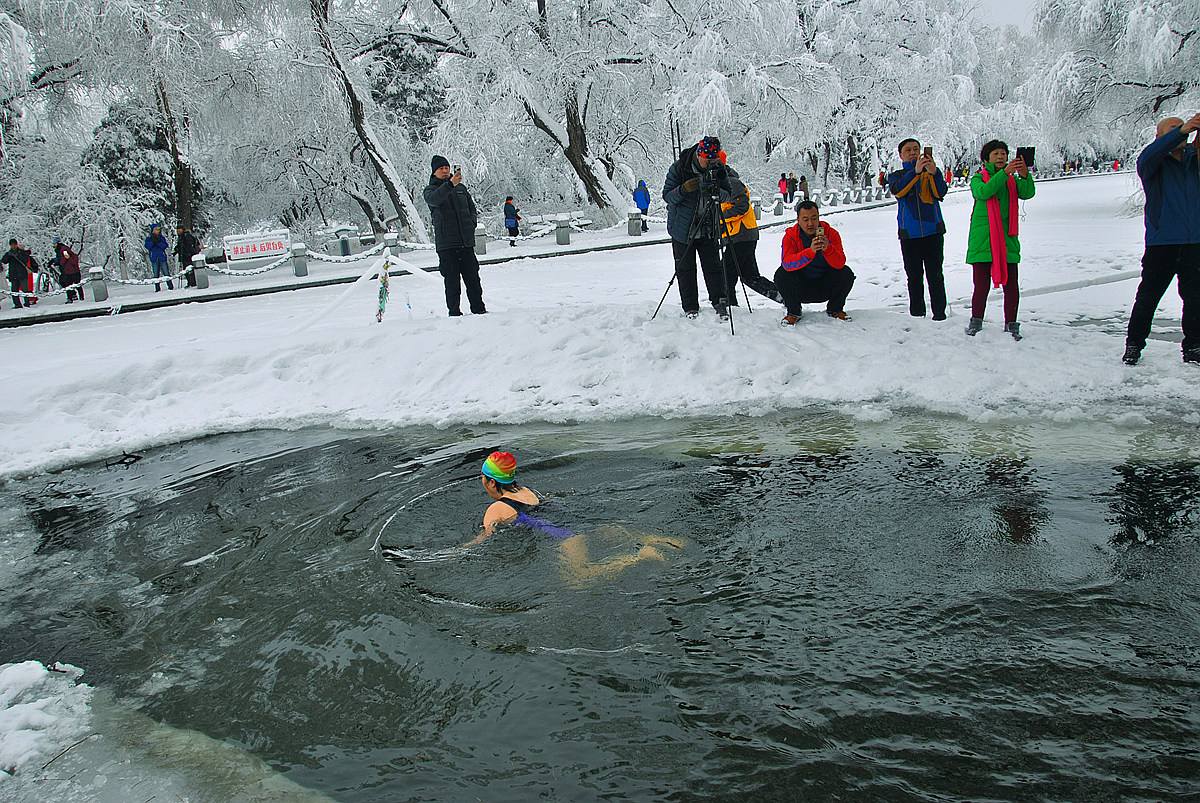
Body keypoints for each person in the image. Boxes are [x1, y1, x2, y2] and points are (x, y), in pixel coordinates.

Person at [466, 451, 678, 582]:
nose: (482, 482)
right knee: (624, 536)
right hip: (583, 523)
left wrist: (461, 550)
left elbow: (486, 538)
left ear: (492, 482)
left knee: (579, 579)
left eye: (483, 478)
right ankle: (662, 540)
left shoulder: (496, 509)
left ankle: (638, 557)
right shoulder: (526, 491)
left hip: (567, 537)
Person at [1122, 114, 1200, 365]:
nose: (1181, 132)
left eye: (1182, 128)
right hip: (1162, 242)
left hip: (1194, 242)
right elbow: (1146, 157)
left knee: (1195, 297)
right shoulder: (1154, 162)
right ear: (1159, 137)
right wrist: (1182, 130)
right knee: (1149, 296)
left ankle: (1194, 346)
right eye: (1173, 129)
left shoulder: (1193, 159)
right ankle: (1134, 344)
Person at [964, 139, 1035, 339]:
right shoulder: (979, 178)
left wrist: (1024, 175)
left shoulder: (1012, 180)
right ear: (986, 158)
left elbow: (1028, 193)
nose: (1001, 157)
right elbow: (984, 192)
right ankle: (975, 321)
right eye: (996, 154)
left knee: (1011, 285)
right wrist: (1005, 174)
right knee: (981, 284)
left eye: (1003, 154)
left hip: (1007, 240)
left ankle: (1011, 324)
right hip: (983, 240)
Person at [663, 136, 735, 319]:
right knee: (685, 269)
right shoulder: (680, 168)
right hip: (682, 229)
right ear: (699, 154)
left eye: (713, 160)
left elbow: (729, 195)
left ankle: (720, 302)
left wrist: (717, 192)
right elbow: (667, 197)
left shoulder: (718, 168)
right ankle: (690, 307)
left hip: (708, 228)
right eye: (706, 160)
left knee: (713, 267)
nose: (709, 164)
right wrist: (684, 189)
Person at [888, 138, 948, 320]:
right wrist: (915, 173)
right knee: (914, 277)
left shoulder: (931, 173)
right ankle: (917, 313)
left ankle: (939, 314)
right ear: (901, 155)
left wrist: (935, 172)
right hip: (910, 234)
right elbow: (898, 191)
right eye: (908, 150)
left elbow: (941, 193)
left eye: (916, 149)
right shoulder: (897, 175)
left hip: (933, 231)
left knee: (935, 275)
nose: (913, 152)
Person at [423, 155, 486, 317]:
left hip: (465, 243)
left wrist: (471, 223)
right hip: (447, 245)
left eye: (446, 168)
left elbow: (472, 209)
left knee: (473, 280)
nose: (445, 171)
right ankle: (454, 313)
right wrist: (450, 184)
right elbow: (434, 200)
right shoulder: (430, 190)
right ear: (434, 171)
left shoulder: (461, 188)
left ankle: (479, 310)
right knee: (452, 283)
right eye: (441, 168)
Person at [773, 201, 855, 325]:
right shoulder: (790, 236)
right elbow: (787, 264)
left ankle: (835, 309)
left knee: (846, 273)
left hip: (825, 284)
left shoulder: (831, 234)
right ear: (798, 220)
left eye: (814, 218)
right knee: (781, 275)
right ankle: (793, 312)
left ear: (818, 218)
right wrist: (810, 252)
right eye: (805, 219)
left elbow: (840, 263)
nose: (810, 223)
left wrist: (828, 249)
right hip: (801, 286)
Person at [717, 153, 783, 305]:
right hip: (741, 235)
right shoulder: (723, 183)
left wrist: (719, 216)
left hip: (742, 235)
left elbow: (741, 207)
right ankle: (784, 296)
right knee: (749, 276)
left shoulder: (731, 183)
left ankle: (730, 305)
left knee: (726, 273)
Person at [2, 239, 37, 309]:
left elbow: (26, 260)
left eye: (14, 244)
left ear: (16, 244)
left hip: (22, 274)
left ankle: (27, 303)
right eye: (12, 245)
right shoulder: (9, 253)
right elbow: (4, 261)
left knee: (25, 290)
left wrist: (18, 255)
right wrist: (9, 255)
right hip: (14, 275)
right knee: (14, 291)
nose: (13, 246)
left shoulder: (22, 252)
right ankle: (17, 304)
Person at [51, 237, 82, 303]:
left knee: (69, 284)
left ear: (57, 243)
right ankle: (75, 296)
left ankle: (72, 298)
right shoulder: (61, 249)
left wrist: (57, 262)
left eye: (54, 243)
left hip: (70, 271)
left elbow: (66, 257)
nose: (53, 245)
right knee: (70, 284)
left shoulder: (64, 250)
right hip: (69, 270)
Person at [144, 223, 173, 291]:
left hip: (162, 257)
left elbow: (165, 245)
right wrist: (153, 242)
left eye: (159, 229)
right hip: (154, 258)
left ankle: (170, 286)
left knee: (166, 273)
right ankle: (157, 288)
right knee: (156, 274)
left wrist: (158, 242)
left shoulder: (161, 237)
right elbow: (147, 246)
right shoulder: (149, 238)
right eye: (156, 229)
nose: (158, 231)